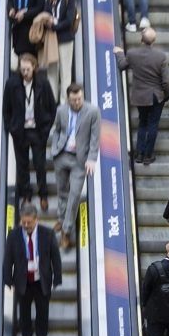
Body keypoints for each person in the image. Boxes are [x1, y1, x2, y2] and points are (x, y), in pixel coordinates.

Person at [3, 203, 62, 336]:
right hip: (23, 281)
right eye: (24, 222)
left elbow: (56, 257)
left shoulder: (48, 234)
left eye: (29, 222)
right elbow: (8, 258)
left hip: (41, 280)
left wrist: (57, 278)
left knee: (43, 310)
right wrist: (7, 279)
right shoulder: (13, 235)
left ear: (36, 219)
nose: (26, 225)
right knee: (24, 311)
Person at [3, 54, 57, 210]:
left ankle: (43, 194)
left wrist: (46, 130)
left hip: (38, 131)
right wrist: (11, 128)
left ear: (34, 67)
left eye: (27, 69)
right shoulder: (12, 84)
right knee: (22, 166)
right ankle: (26, 195)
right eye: (22, 69)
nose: (25, 72)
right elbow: (6, 110)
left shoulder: (43, 83)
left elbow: (52, 108)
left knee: (40, 165)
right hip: (20, 131)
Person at [51, 83, 101, 249]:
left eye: (79, 98)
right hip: (62, 155)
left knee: (74, 196)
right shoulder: (61, 110)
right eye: (74, 100)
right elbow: (57, 129)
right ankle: (60, 218)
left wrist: (92, 158)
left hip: (80, 160)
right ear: (68, 99)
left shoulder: (92, 112)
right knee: (62, 191)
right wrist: (55, 146)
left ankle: (66, 230)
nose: (77, 102)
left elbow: (95, 137)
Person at [114, 27, 169, 163]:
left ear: (141, 38)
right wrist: (167, 95)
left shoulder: (132, 54)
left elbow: (122, 65)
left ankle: (139, 154)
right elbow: (167, 81)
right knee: (153, 125)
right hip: (156, 96)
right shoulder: (161, 56)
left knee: (143, 124)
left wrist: (120, 53)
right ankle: (148, 155)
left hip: (140, 96)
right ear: (154, 41)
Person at [43, 0, 78, 102]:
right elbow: (45, 11)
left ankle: (64, 101)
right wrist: (47, 21)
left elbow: (69, 20)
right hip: (52, 39)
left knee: (65, 72)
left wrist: (56, 25)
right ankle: (52, 101)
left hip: (65, 38)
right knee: (51, 71)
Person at [7, 0, 46, 66]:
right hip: (17, 27)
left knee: (30, 56)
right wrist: (10, 9)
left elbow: (40, 7)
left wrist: (25, 13)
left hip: (30, 28)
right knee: (19, 54)